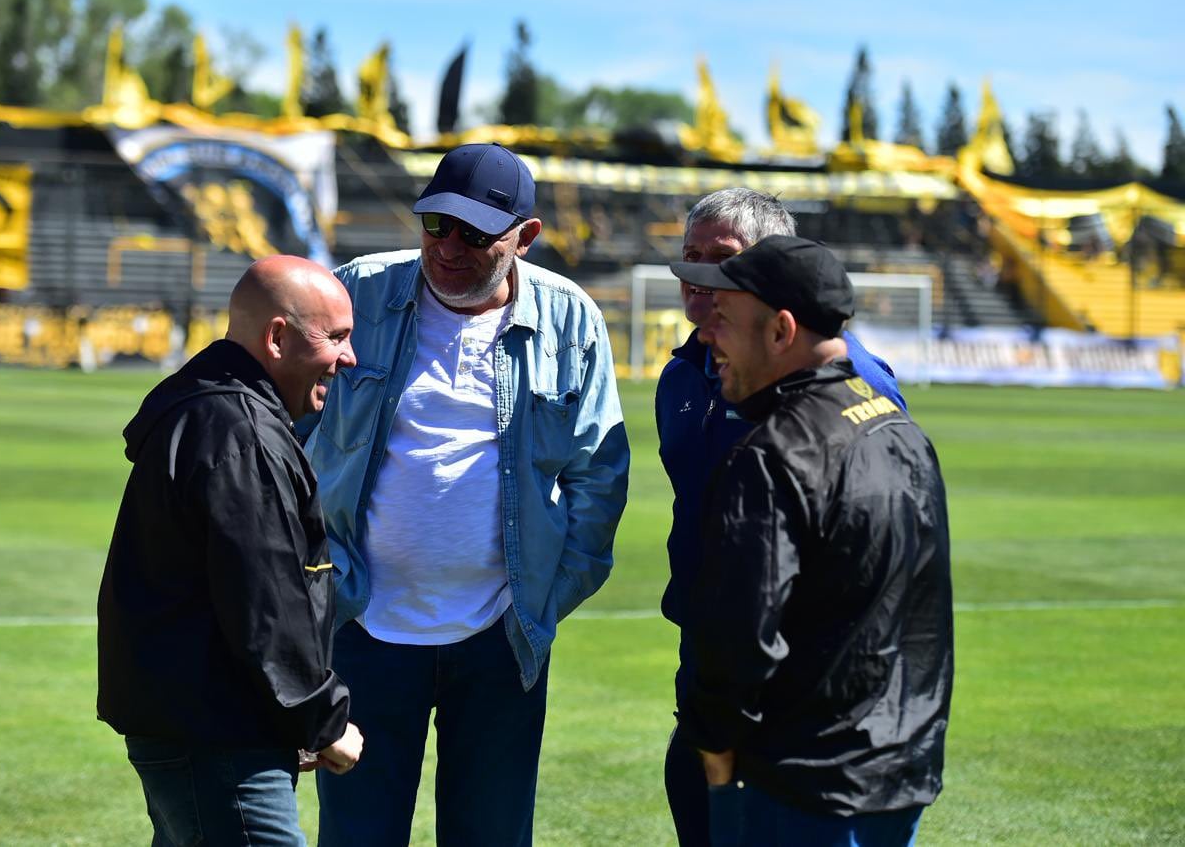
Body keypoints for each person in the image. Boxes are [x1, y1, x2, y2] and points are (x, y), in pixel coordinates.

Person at [304, 143, 630, 846]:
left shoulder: (571, 318)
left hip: (501, 641)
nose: (449, 247)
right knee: (356, 837)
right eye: (436, 224)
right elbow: (282, 439)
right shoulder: (356, 293)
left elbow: (598, 480)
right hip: (362, 626)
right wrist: (316, 586)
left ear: (525, 236)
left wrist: (540, 601)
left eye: (476, 234)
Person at [671, 236, 953, 846]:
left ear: (781, 331)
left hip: (800, 784)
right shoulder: (900, 428)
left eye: (724, 319)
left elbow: (741, 636)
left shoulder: (773, 454)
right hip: (900, 769)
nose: (708, 334)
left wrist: (712, 747)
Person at [97, 255, 364, 845]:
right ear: (277, 338)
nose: (348, 357)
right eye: (336, 337)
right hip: (218, 734)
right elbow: (266, 599)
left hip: (203, 723)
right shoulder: (239, 430)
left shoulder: (215, 410)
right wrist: (320, 719)